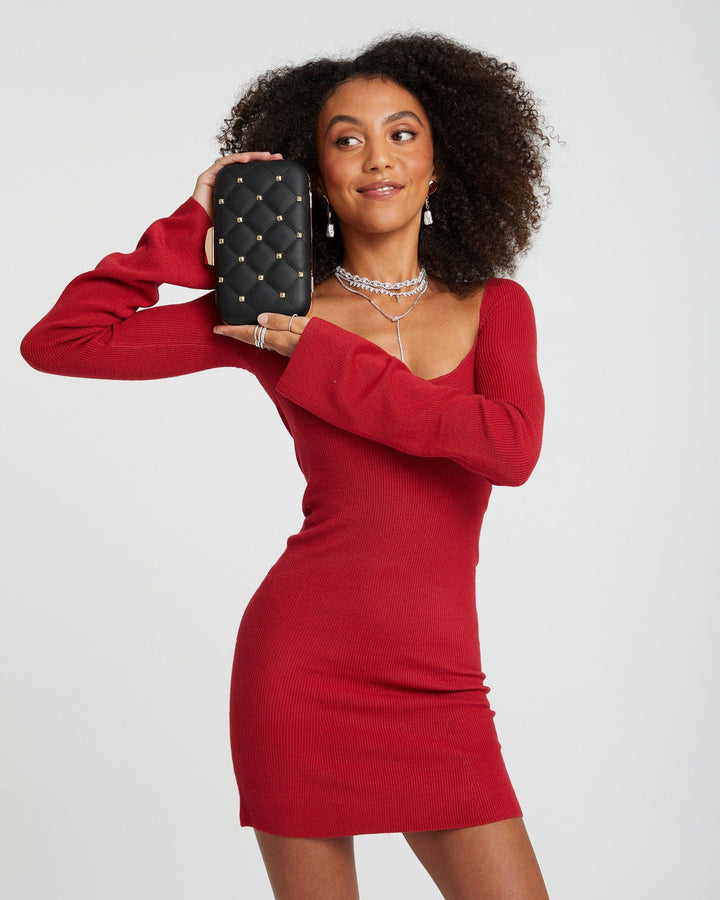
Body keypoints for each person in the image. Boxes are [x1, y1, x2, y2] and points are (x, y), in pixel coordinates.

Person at [21, 32, 552, 900]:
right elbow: (61, 343)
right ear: (316, 177)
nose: (377, 157)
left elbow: (509, 448)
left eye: (402, 133)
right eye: (346, 139)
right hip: (303, 668)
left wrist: (329, 359)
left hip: (443, 681)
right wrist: (190, 229)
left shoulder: (496, 306)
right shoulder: (270, 313)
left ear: (441, 165)